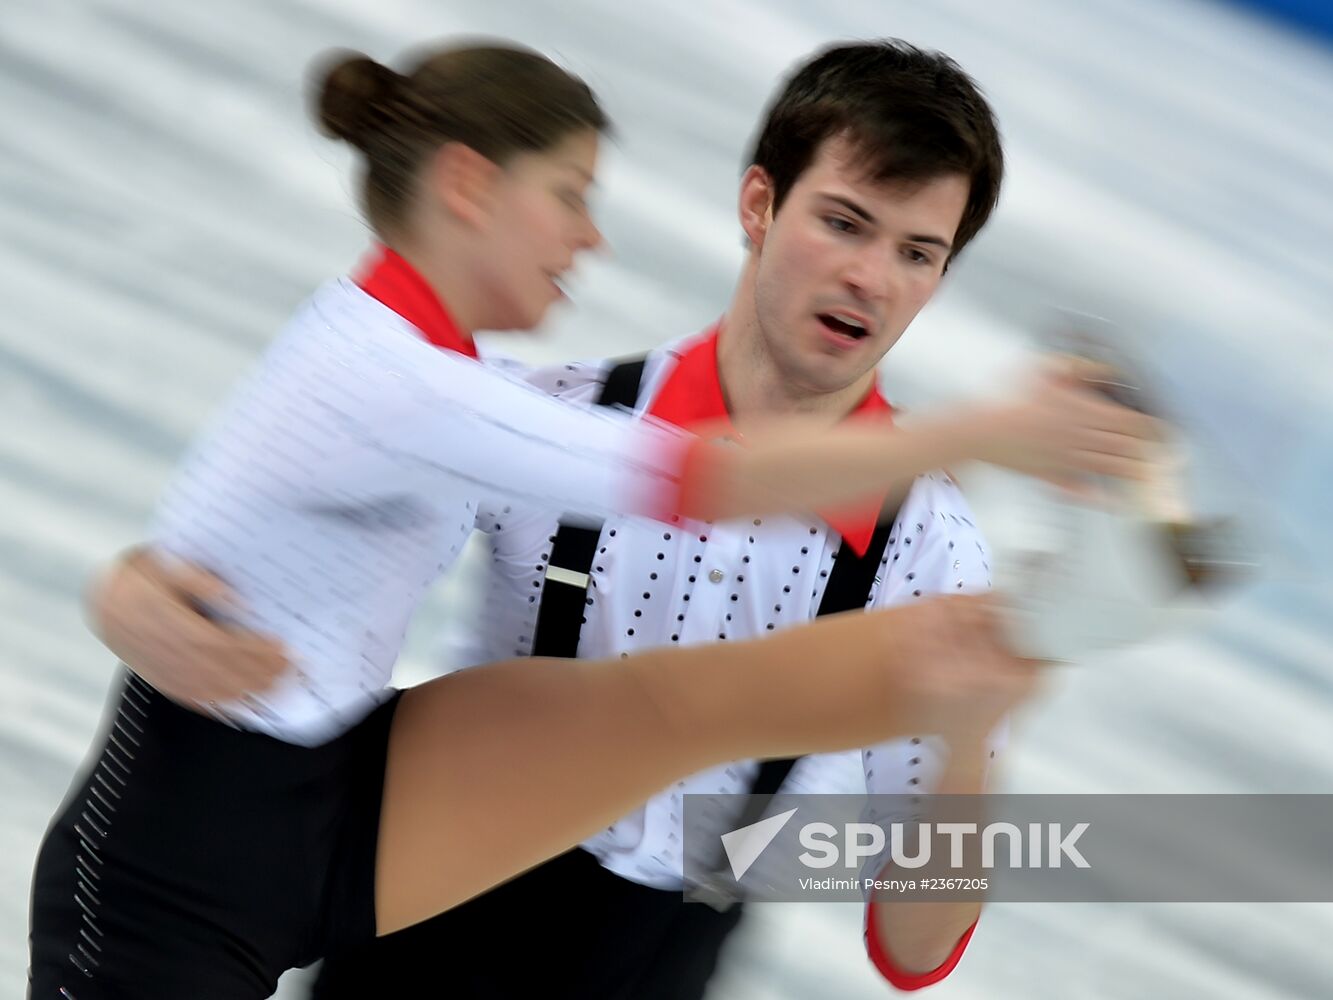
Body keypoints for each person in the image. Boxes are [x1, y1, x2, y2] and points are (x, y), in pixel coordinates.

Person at [79, 41, 1157, 1000]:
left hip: (659, 960)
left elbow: (915, 950)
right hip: (411, 925)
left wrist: (970, 732)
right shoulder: (556, 416)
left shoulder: (934, 556)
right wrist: (132, 588)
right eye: (842, 222)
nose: (869, 277)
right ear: (757, 206)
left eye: (917, 252)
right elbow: (307, 522)